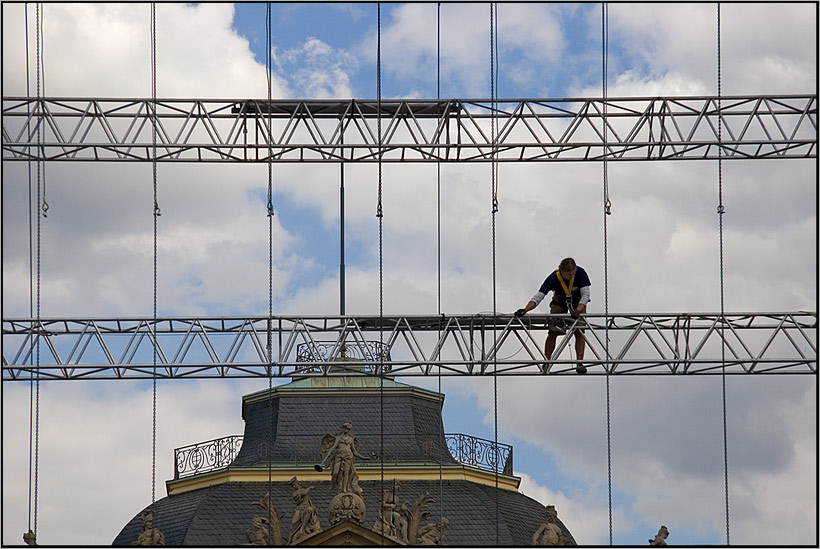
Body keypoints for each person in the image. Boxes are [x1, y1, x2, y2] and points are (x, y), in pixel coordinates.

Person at [515, 257, 591, 374]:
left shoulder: (580, 273)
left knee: (579, 330)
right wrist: (525, 310)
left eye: (572, 274)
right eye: (568, 275)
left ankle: (579, 362)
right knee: (553, 331)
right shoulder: (554, 277)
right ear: (562, 271)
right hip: (560, 301)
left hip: (578, 301)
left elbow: (585, 294)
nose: (571, 276)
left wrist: (578, 310)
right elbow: (539, 296)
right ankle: (547, 361)